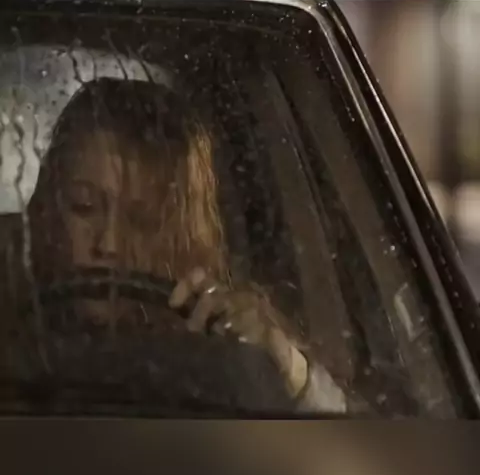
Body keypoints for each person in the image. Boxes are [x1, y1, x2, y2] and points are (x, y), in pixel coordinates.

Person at [16, 77, 347, 414]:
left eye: (141, 220)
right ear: (49, 208)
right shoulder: (9, 310)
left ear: (180, 234)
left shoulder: (219, 338)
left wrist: (287, 366)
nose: (109, 244)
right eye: (83, 206)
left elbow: (341, 437)